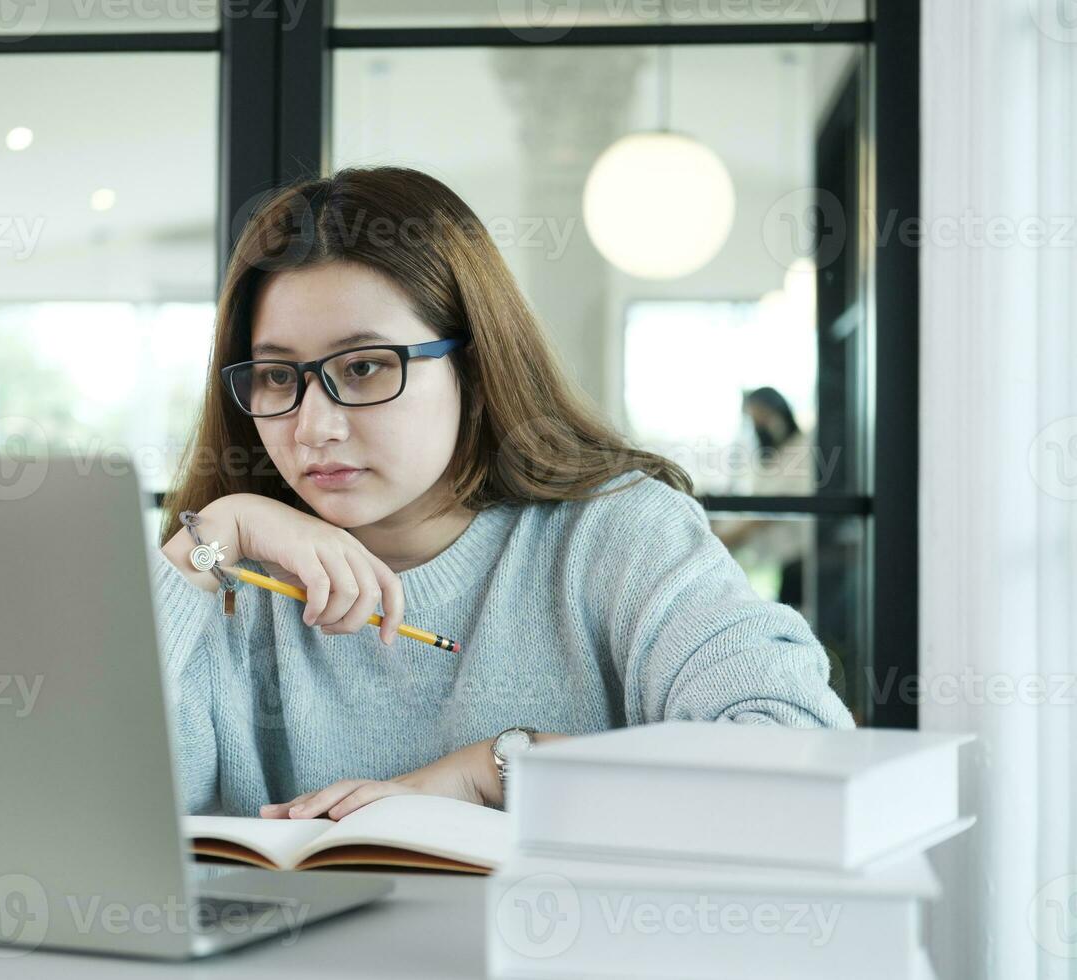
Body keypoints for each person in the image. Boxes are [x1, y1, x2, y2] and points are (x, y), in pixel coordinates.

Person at [150, 166, 854, 823]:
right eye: (277, 377)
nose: (313, 427)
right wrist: (210, 538)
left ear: (477, 369)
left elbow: (801, 759)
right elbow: (94, 814)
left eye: (364, 366)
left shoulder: (616, 535)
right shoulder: (227, 572)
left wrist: (491, 773)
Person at [714, 386, 815, 608]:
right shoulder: (766, 457)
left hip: (799, 557)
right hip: (776, 556)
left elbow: (775, 507)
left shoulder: (801, 449)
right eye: (752, 420)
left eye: (762, 417)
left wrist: (727, 537)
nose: (758, 426)